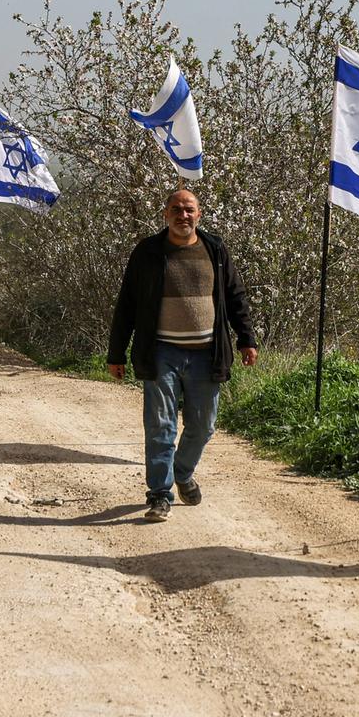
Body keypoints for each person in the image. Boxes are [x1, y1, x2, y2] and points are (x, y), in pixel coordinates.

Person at [107, 188, 258, 521]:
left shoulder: (215, 249)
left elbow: (235, 297)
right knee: (160, 425)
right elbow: (127, 305)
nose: (182, 215)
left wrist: (247, 338)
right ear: (166, 215)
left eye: (189, 209)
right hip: (161, 352)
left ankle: (182, 471)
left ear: (198, 214)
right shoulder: (147, 252)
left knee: (203, 425)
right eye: (176, 209)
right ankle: (160, 495)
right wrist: (116, 353)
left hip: (207, 353)